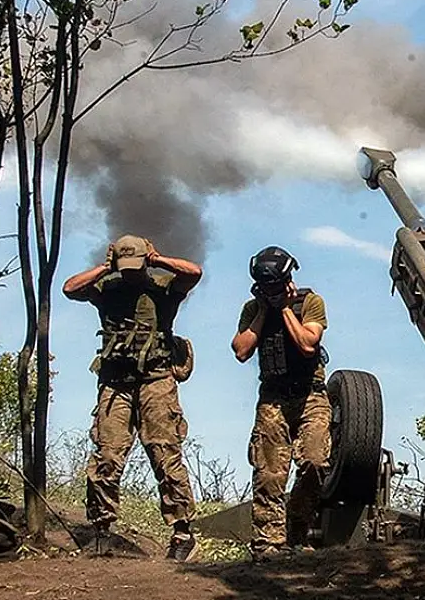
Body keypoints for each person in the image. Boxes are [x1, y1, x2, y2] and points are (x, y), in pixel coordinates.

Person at [62, 234, 202, 562]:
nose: (129, 273)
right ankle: (101, 530)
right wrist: (104, 267)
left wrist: (158, 259)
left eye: (134, 266)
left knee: (165, 456)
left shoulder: (163, 287)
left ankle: (183, 534)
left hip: (156, 381)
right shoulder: (106, 289)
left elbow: (194, 272)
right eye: (124, 267)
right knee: (106, 457)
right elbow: (69, 289)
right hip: (115, 384)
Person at [231, 245, 330, 560]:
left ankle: (297, 527)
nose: (272, 291)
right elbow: (241, 350)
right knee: (270, 473)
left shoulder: (309, 302)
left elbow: (306, 344)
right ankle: (268, 543)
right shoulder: (252, 309)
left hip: (311, 394)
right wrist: (263, 311)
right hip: (273, 397)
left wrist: (285, 309)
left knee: (315, 461)